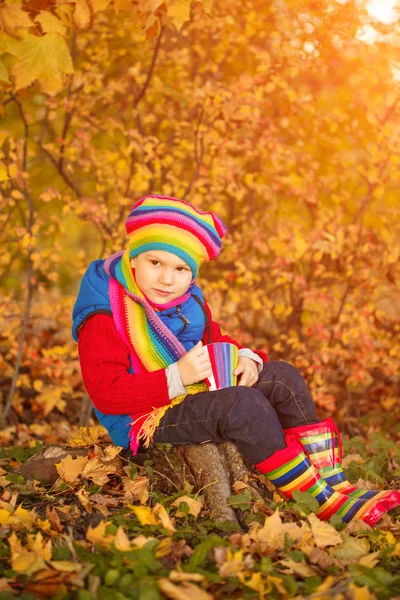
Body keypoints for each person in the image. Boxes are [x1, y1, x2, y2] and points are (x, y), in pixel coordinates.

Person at [72, 195, 400, 525]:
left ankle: (334, 482)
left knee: (282, 376)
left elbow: (215, 340)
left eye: (180, 268)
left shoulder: (187, 300)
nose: (166, 279)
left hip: (188, 391)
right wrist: (176, 376)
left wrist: (245, 357)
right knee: (241, 405)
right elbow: (106, 393)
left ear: (192, 274)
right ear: (133, 260)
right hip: (141, 421)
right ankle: (318, 499)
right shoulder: (104, 313)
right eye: (155, 263)